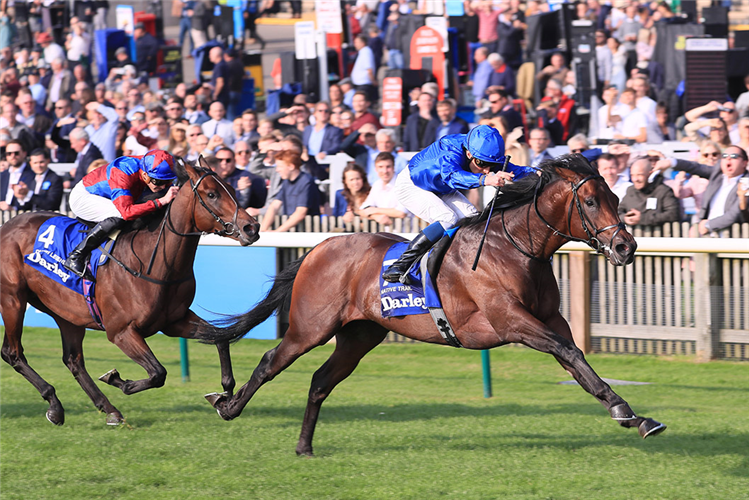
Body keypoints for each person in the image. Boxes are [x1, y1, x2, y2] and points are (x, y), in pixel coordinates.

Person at [383, 125, 535, 283]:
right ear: (469, 153)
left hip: (440, 187)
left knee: (473, 218)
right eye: (482, 164)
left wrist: (538, 173)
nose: (486, 169)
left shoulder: (481, 153)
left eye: (491, 165)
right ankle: (401, 264)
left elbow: (514, 170)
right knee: (447, 218)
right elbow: (452, 177)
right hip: (412, 185)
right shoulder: (451, 149)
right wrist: (486, 180)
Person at [63, 150, 180, 280]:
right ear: (145, 175)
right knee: (119, 216)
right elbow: (127, 212)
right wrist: (162, 200)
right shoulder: (123, 172)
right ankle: (76, 256)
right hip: (85, 197)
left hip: (112, 197)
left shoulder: (153, 167)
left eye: (168, 181)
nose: (163, 186)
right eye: (158, 182)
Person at [654, 145, 749, 235]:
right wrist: (671, 162)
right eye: (724, 156)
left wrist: (709, 225)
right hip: (706, 234)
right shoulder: (717, 174)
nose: (728, 158)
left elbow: (735, 213)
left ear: (744, 163)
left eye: (734, 156)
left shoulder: (746, 182)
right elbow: (695, 167)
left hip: (731, 236)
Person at [259, 150, 320, 233]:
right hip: (291, 231)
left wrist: (277, 232)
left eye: (280, 166)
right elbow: (274, 206)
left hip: (306, 232)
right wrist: (263, 230)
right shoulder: (286, 182)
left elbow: (300, 213)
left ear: (291, 166)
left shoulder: (306, 182)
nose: (277, 170)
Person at [618, 158, 680, 226]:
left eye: (639, 175)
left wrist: (643, 218)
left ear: (650, 174)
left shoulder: (664, 191)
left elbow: (673, 214)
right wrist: (625, 218)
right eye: (633, 175)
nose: (635, 179)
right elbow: (618, 212)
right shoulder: (630, 191)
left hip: (660, 235)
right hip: (634, 235)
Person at [212, 146, 267, 215]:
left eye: (228, 160)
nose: (224, 163)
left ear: (234, 161)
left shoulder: (248, 177)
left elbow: (242, 206)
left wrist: (244, 191)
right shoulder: (211, 178)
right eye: (220, 160)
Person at [360, 152, 409, 226]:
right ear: (375, 169)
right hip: (385, 234)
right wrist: (376, 216)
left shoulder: (403, 184)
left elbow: (401, 212)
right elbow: (363, 209)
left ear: (393, 167)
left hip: (407, 234)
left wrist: (375, 210)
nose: (385, 171)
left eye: (388, 166)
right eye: (380, 167)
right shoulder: (377, 184)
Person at [0, 140, 34, 211]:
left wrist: (13, 209)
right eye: (9, 153)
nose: (13, 156)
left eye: (16, 153)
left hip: (23, 217)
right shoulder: (2, 176)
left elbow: (34, 201)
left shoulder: (32, 175)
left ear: (24, 153)